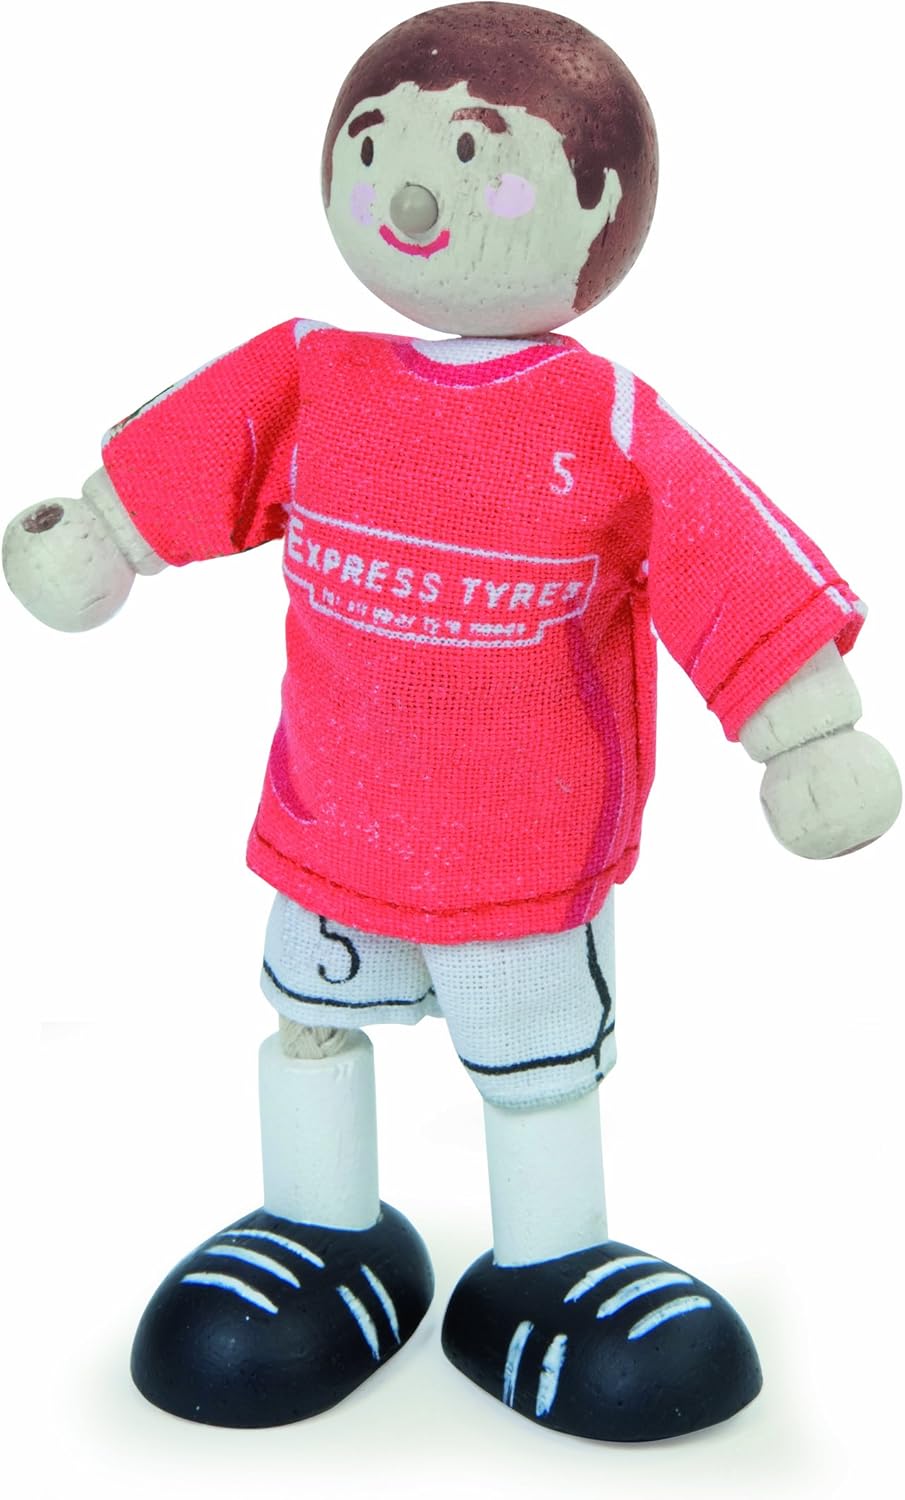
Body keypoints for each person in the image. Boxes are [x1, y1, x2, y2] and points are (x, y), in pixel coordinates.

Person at [3, 2, 900, 1440]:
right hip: (331, 835)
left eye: (479, 164)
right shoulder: (313, 374)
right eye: (377, 152)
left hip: (520, 862)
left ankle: (548, 1262)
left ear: (598, 207)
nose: (414, 201)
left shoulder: (604, 417)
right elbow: (187, 466)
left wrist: (803, 730)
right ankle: (320, 1226)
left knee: (534, 1078)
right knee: (309, 1025)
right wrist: (97, 536)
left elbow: (724, 560)